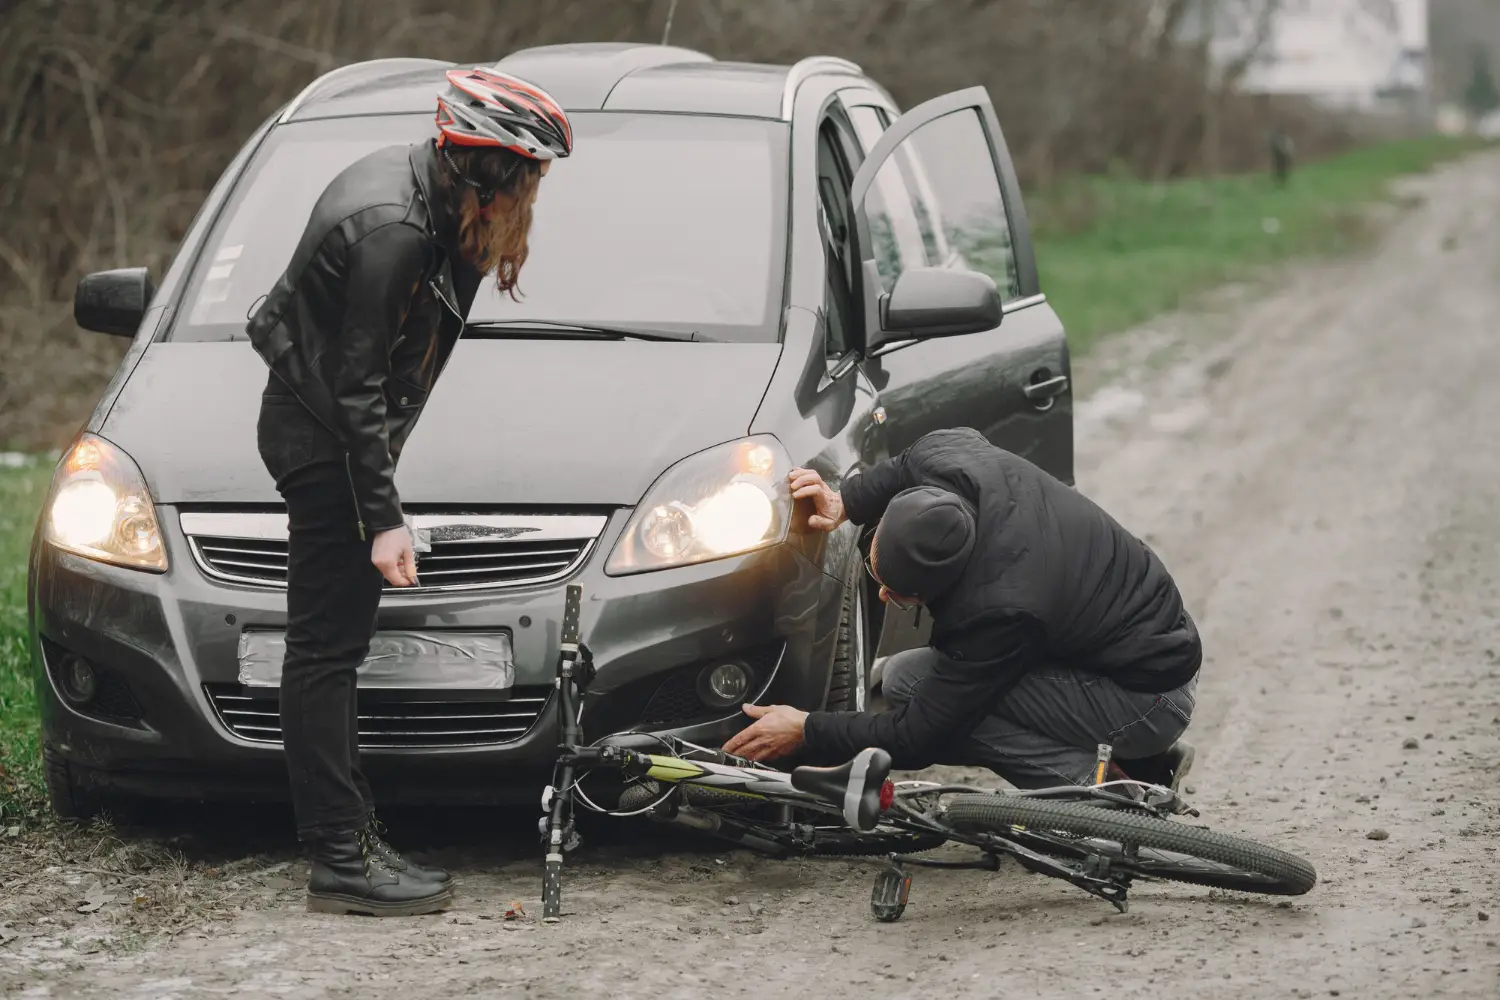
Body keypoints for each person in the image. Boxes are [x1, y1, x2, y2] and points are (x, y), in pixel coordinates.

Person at [247, 67, 572, 916]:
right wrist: (383, 520)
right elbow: (356, 385)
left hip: (335, 430)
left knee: (334, 650)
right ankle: (339, 860)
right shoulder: (393, 227)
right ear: (490, 171)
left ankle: (350, 832)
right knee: (324, 652)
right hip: (325, 441)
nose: (535, 194)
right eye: (530, 177)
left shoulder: (431, 197)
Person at [723, 427, 1200, 794]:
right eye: (877, 577)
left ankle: (1105, 798)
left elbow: (921, 737)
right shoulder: (949, 459)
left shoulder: (999, 610)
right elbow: (905, 465)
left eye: (900, 594)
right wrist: (843, 500)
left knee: (958, 713)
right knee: (904, 677)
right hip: (1123, 645)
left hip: (1150, 698)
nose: (884, 597)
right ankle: (1146, 765)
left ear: (948, 582)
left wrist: (806, 729)